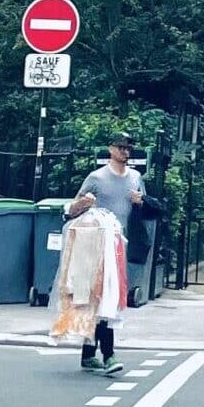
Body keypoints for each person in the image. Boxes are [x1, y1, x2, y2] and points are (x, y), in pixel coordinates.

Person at [66, 133, 153, 377]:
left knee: (106, 300)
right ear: (110, 149)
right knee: (104, 300)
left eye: (128, 148)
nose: (125, 152)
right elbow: (73, 209)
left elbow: (144, 209)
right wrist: (84, 202)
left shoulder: (136, 178)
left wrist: (141, 202)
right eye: (120, 147)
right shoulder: (96, 177)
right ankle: (109, 354)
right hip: (96, 246)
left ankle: (88, 353)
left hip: (121, 246)